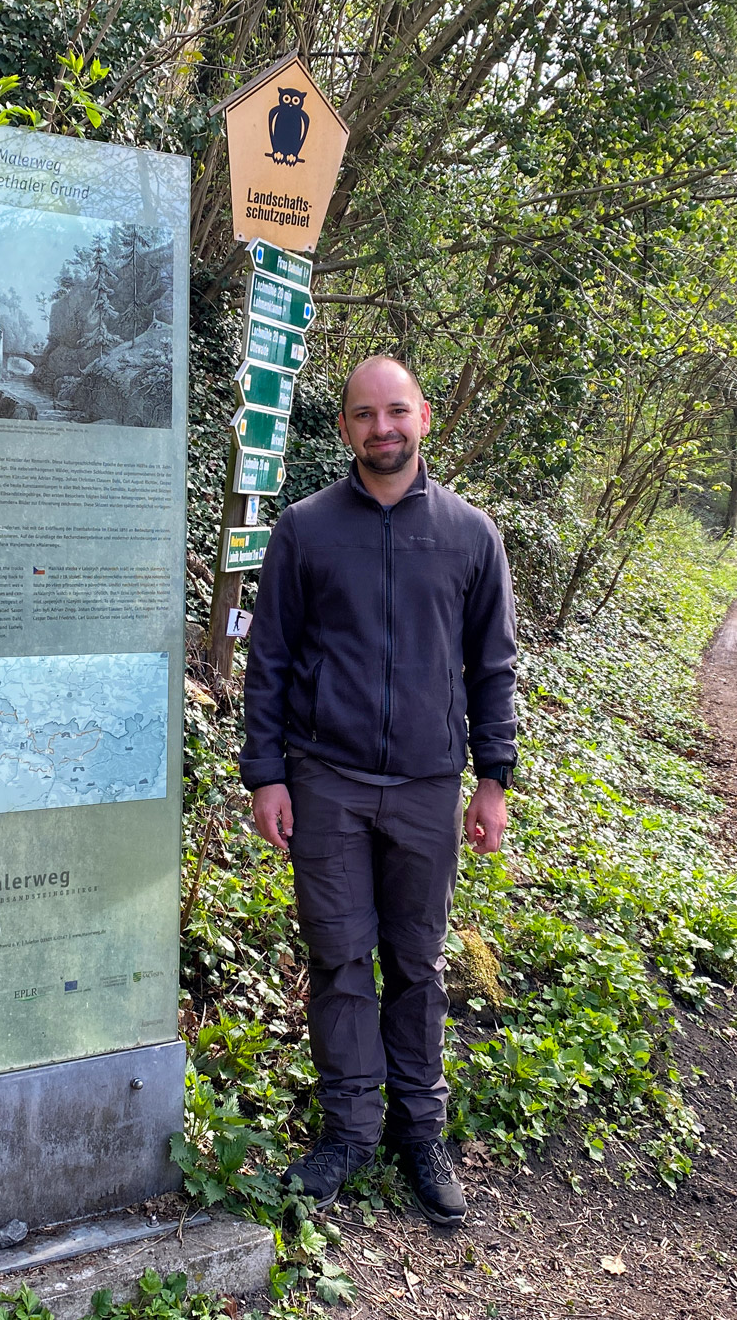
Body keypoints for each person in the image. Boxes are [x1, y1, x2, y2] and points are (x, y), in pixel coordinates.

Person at [241, 354, 517, 1229]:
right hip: (328, 782)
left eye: (395, 412)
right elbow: (270, 662)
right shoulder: (305, 530)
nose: (381, 428)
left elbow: (494, 666)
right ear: (344, 427)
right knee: (337, 957)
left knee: (418, 962)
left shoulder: (472, 535)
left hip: (430, 786)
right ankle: (349, 1131)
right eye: (364, 414)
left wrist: (493, 780)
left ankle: (418, 1131)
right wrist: (267, 774)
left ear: (424, 417)